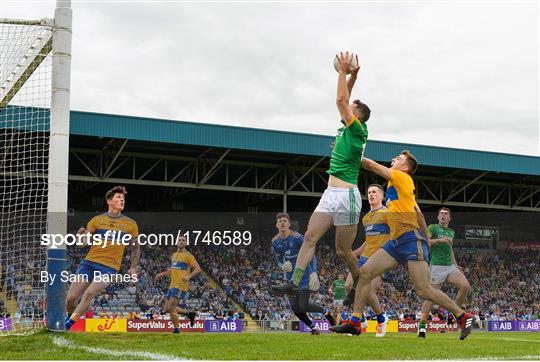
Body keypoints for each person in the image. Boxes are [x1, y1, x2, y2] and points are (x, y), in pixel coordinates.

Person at [331, 151, 474, 340]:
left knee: (423, 290)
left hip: (410, 239)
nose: (393, 160)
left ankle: (463, 316)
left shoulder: (402, 177)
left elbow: (372, 166)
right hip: (396, 241)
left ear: (405, 167)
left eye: (398, 159)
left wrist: (349, 151)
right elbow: (419, 214)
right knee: (364, 273)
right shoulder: (398, 186)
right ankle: (356, 322)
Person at [273, 52, 370, 296]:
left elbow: (340, 100)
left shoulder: (357, 129)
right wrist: (354, 76)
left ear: (356, 116)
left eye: (352, 108)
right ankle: (294, 282)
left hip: (348, 196)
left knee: (342, 250)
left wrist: (341, 71)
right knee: (309, 236)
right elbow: (345, 100)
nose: (347, 106)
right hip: (330, 193)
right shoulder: (345, 129)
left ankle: (358, 281)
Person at [65, 186, 140, 330]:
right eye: (118, 197)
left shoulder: (131, 224)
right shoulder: (97, 220)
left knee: (89, 293)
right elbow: (82, 244)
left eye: (123, 198)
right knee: (70, 299)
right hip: (89, 263)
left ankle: (67, 325)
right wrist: (79, 238)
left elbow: (135, 247)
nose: (122, 200)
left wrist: (133, 267)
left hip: (109, 268)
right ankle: (70, 318)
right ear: (109, 201)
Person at [272, 212, 336, 335]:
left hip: (304, 275)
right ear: (277, 225)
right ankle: (313, 328)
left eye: (285, 220)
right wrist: (282, 267)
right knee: (295, 309)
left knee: (303, 306)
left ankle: (326, 311)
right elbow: (279, 261)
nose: (282, 222)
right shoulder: (275, 241)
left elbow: (311, 254)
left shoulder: (297, 238)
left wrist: (313, 273)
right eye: (280, 221)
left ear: (289, 224)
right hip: (290, 278)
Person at [342, 184, 389, 336]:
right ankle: (360, 320)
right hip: (364, 258)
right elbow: (368, 242)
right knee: (349, 286)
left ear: (382, 196)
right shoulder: (366, 218)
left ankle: (381, 320)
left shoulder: (388, 214)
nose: (371, 194)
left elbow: (395, 236)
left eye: (374, 192)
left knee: (367, 290)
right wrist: (351, 254)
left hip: (380, 259)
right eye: (369, 192)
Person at [417, 207, 471, 338]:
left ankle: (455, 313)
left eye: (446, 214)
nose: (443, 215)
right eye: (441, 213)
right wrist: (439, 240)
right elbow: (426, 242)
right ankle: (422, 326)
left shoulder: (451, 232)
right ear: (438, 217)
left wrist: (455, 264)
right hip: (436, 266)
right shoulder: (433, 228)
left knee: (465, 286)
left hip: (449, 266)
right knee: (430, 298)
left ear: (449, 218)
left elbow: (450, 249)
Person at [156, 234, 201, 333]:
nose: (181, 241)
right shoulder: (174, 255)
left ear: (186, 243)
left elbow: (198, 268)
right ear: (176, 242)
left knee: (171, 308)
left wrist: (188, 276)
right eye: (179, 240)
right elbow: (173, 270)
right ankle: (189, 314)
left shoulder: (188, 256)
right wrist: (162, 274)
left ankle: (176, 329)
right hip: (172, 285)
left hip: (180, 285)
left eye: (183, 240)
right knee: (167, 309)